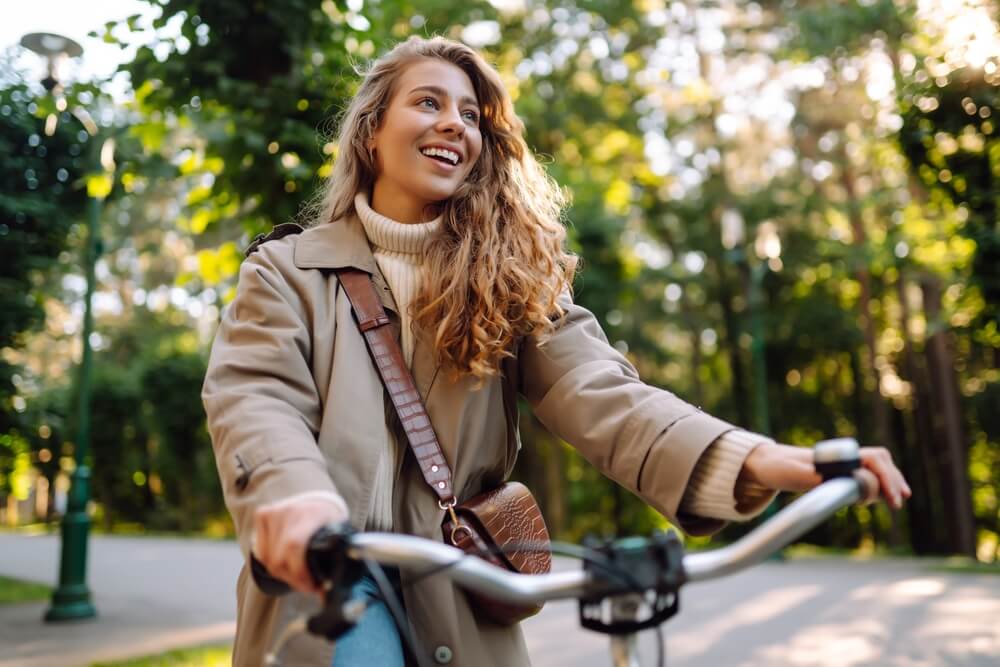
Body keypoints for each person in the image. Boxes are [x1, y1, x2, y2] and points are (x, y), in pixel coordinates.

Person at [202, 36, 911, 667]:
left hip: (465, 589)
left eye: (472, 115)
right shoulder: (288, 270)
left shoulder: (509, 280)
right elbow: (256, 396)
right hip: (328, 584)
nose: (454, 121)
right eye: (428, 102)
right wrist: (297, 497)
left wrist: (761, 458)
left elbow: (607, 396)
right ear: (370, 134)